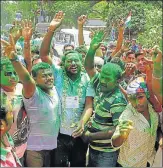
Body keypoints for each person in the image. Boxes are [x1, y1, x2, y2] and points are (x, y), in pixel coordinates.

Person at [40, 11, 93, 167]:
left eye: (76, 60)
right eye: (69, 61)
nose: (73, 63)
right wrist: (51, 30)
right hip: (59, 134)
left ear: (81, 63)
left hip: (79, 134)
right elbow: (43, 55)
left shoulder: (87, 78)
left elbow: (89, 105)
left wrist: (82, 123)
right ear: (63, 63)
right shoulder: (57, 74)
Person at [2, 34, 60, 167]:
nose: (49, 78)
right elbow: (27, 78)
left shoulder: (54, 89)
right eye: (44, 76)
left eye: (50, 75)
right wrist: (14, 58)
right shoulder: (33, 93)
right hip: (33, 148)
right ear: (35, 79)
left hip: (52, 146)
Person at [83, 31, 127, 167]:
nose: (102, 80)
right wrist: (91, 49)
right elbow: (89, 67)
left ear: (118, 80)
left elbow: (116, 130)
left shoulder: (118, 100)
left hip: (107, 153)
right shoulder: (100, 85)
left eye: (107, 79)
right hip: (94, 149)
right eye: (102, 76)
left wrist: (90, 136)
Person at [111, 77, 159, 167]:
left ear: (147, 94)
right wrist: (121, 135)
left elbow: (157, 128)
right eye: (132, 99)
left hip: (149, 161)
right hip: (129, 164)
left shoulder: (153, 108)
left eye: (140, 97)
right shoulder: (128, 115)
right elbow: (115, 143)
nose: (136, 103)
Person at [0, 93, 21, 167]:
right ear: (1, 124)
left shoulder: (5, 136)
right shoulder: (3, 163)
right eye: (11, 112)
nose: (13, 115)